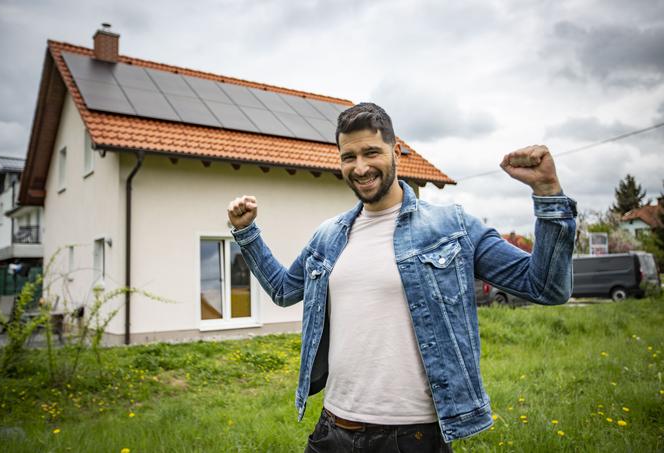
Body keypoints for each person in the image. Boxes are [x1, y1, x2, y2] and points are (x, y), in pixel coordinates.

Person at [227, 103, 576, 452]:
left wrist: (547, 193)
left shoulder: (452, 227)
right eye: (348, 156)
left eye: (371, 152)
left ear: (395, 152)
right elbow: (283, 291)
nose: (360, 167)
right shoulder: (328, 236)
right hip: (332, 430)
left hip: (411, 439)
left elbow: (546, 286)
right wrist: (247, 233)